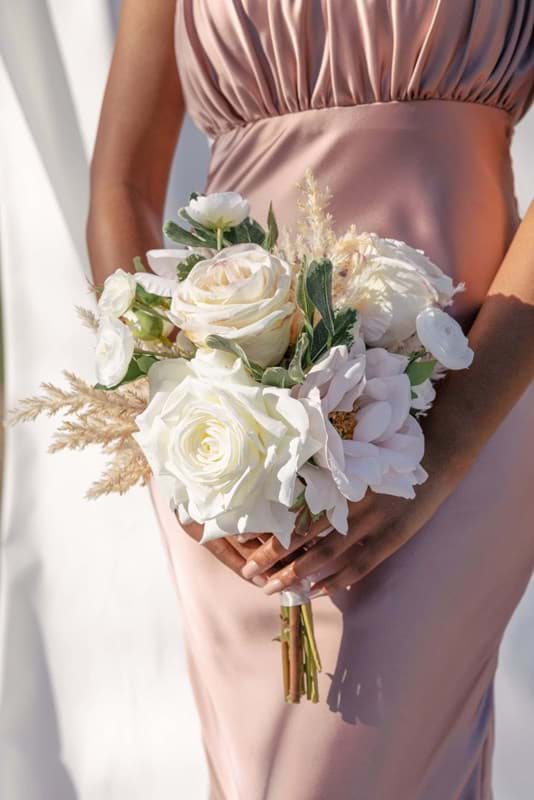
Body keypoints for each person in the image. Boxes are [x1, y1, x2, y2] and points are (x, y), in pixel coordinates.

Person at [87, 2, 534, 797]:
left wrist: (452, 442)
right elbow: (120, 183)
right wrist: (168, 423)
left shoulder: (460, 419)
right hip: (222, 422)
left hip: (464, 385)